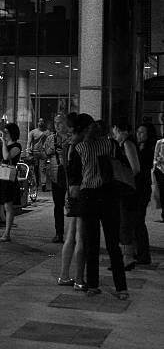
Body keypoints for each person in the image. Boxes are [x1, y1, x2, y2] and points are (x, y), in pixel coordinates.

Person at [76, 118, 128, 299]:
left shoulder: (80, 147)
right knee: (113, 243)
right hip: (108, 195)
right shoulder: (111, 145)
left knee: (92, 243)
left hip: (88, 196)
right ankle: (121, 287)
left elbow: (76, 175)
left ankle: (92, 284)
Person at [57, 113, 87, 291]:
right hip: (81, 191)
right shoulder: (81, 145)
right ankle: (79, 279)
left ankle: (64, 274)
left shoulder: (67, 144)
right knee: (80, 237)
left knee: (70, 235)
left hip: (70, 191)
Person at [111, 122, 140, 270]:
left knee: (125, 223)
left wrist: (122, 175)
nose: (114, 134)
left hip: (127, 189)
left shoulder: (128, 144)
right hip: (125, 188)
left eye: (115, 131)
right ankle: (128, 256)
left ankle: (127, 258)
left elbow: (135, 168)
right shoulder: (123, 144)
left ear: (122, 130)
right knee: (124, 222)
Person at [44, 114, 71, 243]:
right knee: (58, 205)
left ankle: (74, 234)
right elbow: (43, 153)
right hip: (56, 175)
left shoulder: (72, 138)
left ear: (66, 123)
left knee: (73, 206)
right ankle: (59, 233)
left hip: (71, 175)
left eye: (60, 122)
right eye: (55, 123)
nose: (57, 125)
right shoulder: (50, 138)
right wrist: (51, 149)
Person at [135, 123, 156, 265]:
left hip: (142, 188)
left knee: (139, 221)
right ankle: (139, 252)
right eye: (138, 132)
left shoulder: (150, 149)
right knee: (136, 222)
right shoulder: (137, 148)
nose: (139, 135)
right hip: (137, 188)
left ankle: (144, 254)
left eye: (142, 132)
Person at [27, 118, 51, 191]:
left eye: (42, 121)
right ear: (37, 123)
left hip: (43, 152)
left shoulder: (47, 132)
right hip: (34, 152)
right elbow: (29, 142)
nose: (41, 123)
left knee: (43, 169)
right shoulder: (33, 132)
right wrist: (28, 150)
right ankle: (36, 184)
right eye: (39, 121)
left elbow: (50, 142)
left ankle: (43, 184)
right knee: (35, 169)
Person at [153, 135, 164, 222]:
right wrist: (156, 163)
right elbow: (155, 157)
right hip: (160, 170)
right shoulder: (160, 142)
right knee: (162, 191)